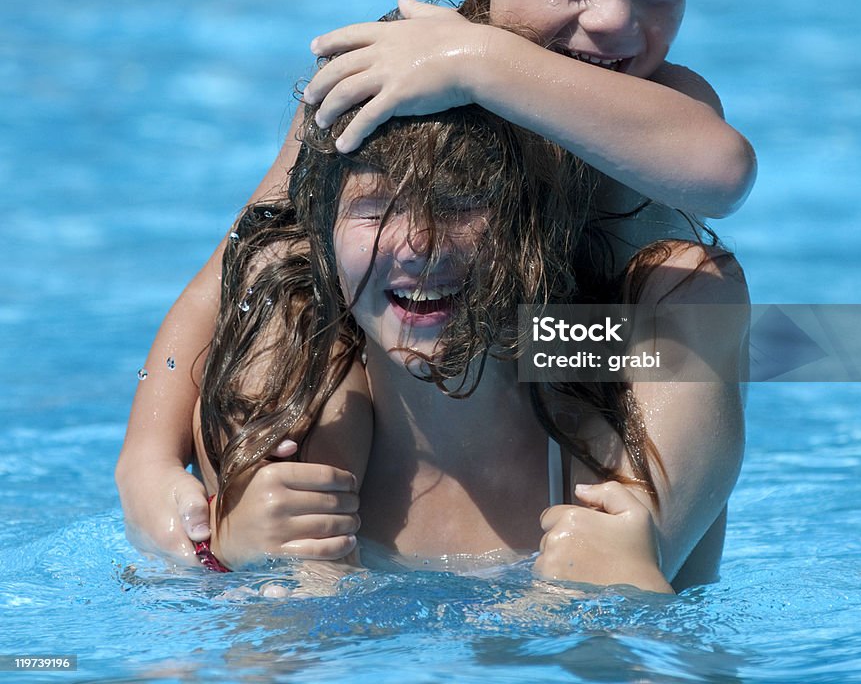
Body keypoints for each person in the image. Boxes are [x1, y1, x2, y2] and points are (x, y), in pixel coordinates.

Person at [117, 0, 755, 578]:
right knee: (284, 279)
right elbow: (233, 267)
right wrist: (144, 459)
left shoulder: (652, 99)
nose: (616, 20)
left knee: (697, 288)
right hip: (406, 365)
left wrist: (479, 61)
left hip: (557, 355)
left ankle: (631, 551)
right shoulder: (387, 78)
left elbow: (724, 174)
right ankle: (283, 550)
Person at [192, 100, 745, 592]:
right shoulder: (289, 398)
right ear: (323, 233)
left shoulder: (608, 380)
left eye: (462, 204)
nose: (418, 245)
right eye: (374, 208)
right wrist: (226, 555)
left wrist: (629, 594)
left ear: (534, 226)